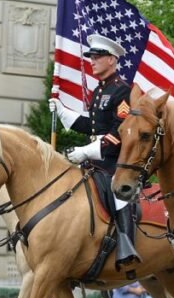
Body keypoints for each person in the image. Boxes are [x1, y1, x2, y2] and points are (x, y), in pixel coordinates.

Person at [49, 33, 139, 268]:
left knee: (118, 194)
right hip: (94, 160)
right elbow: (91, 125)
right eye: (91, 56)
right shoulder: (99, 91)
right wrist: (62, 111)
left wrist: (88, 151)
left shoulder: (122, 91)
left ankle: (126, 245)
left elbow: (119, 132)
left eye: (98, 57)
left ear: (112, 60)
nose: (92, 60)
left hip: (112, 161)